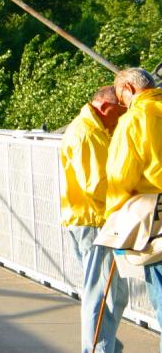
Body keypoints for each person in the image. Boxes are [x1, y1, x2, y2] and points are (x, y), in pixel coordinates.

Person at [60, 86, 129, 353]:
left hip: (90, 220)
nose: (122, 117)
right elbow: (97, 184)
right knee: (104, 295)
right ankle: (99, 349)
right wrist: (129, 198)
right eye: (120, 112)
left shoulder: (92, 129)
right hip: (95, 221)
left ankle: (105, 346)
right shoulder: (88, 134)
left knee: (109, 294)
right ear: (105, 107)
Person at [105, 67, 162, 337]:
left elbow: (120, 177)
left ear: (128, 89)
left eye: (120, 98)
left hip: (156, 219)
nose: (122, 105)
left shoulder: (134, 120)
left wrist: (115, 221)